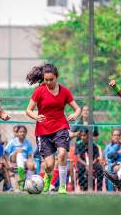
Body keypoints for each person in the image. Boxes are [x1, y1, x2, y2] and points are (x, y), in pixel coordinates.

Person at [26, 64, 81, 194]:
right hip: (43, 131)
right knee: (49, 164)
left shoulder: (65, 91)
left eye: (51, 79)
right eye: (46, 80)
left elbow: (77, 108)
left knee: (62, 154)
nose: (49, 82)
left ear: (56, 77)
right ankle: (47, 178)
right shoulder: (39, 91)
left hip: (61, 127)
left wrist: (75, 114)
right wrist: (36, 116)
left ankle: (62, 186)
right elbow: (28, 110)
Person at [4, 125, 35, 190]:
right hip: (13, 158)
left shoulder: (28, 142)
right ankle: (21, 180)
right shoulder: (13, 141)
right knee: (19, 154)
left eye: (24, 132)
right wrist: (9, 163)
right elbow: (5, 153)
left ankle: (28, 184)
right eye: (20, 132)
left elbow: (29, 156)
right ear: (17, 133)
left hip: (24, 160)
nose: (22, 133)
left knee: (32, 165)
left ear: (26, 133)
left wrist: (31, 162)